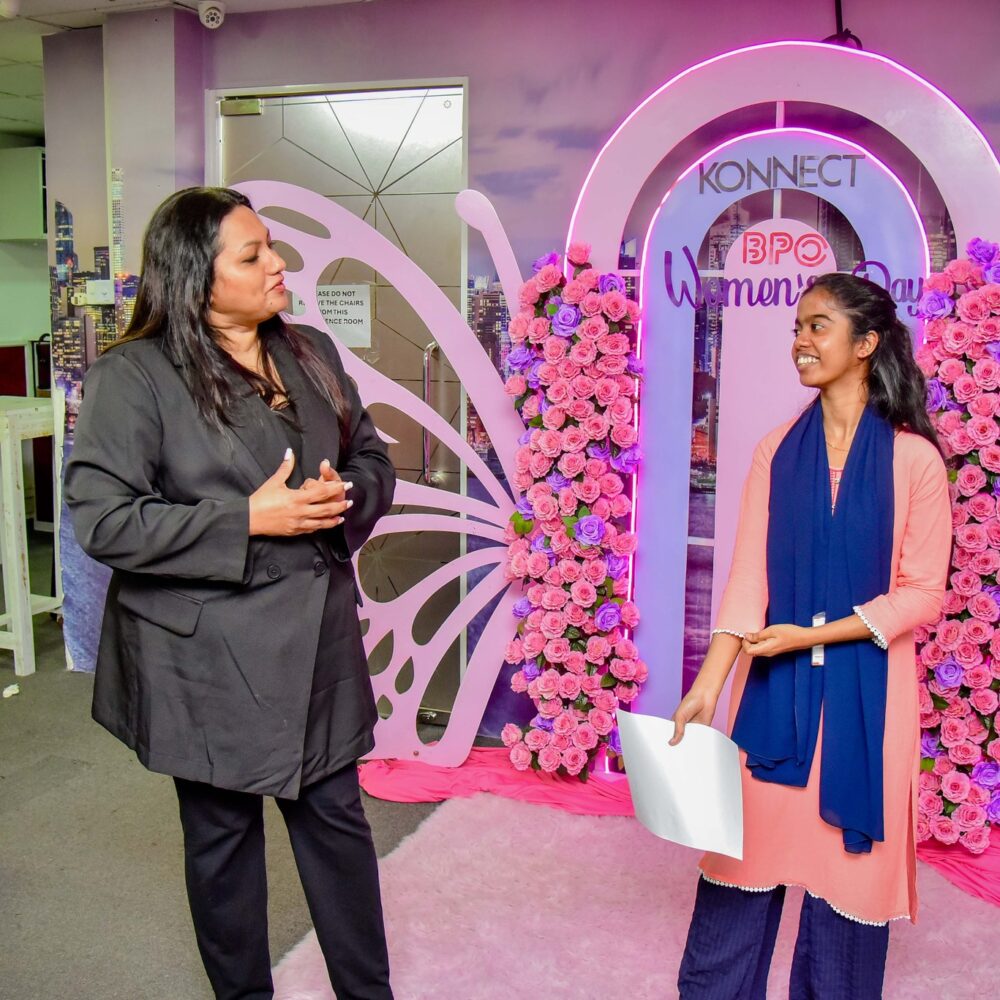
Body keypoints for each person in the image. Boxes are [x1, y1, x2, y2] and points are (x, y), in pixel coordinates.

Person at [64, 187, 396, 1000]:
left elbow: (373, 459)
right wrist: (247, 519)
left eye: (270, 246)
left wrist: (342, 496)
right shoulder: (133, 376)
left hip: (316, 641)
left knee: (338, 827)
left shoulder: (312, 352)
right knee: (222, 845)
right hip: (206, 656)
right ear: (195, 278)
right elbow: (104, 521)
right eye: (253, 255)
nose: (278, 263)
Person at [670, 272, 952, 999]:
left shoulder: (914, 460)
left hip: (870, 710)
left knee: (847, 892)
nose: (800, 340)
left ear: (866, 344)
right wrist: (708, 688)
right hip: (771, 701)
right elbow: (747, 581)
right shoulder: (775, 451)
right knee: (738, 869)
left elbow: (923, 593)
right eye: (797, 326)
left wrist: (809, 636)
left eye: (817, 326)